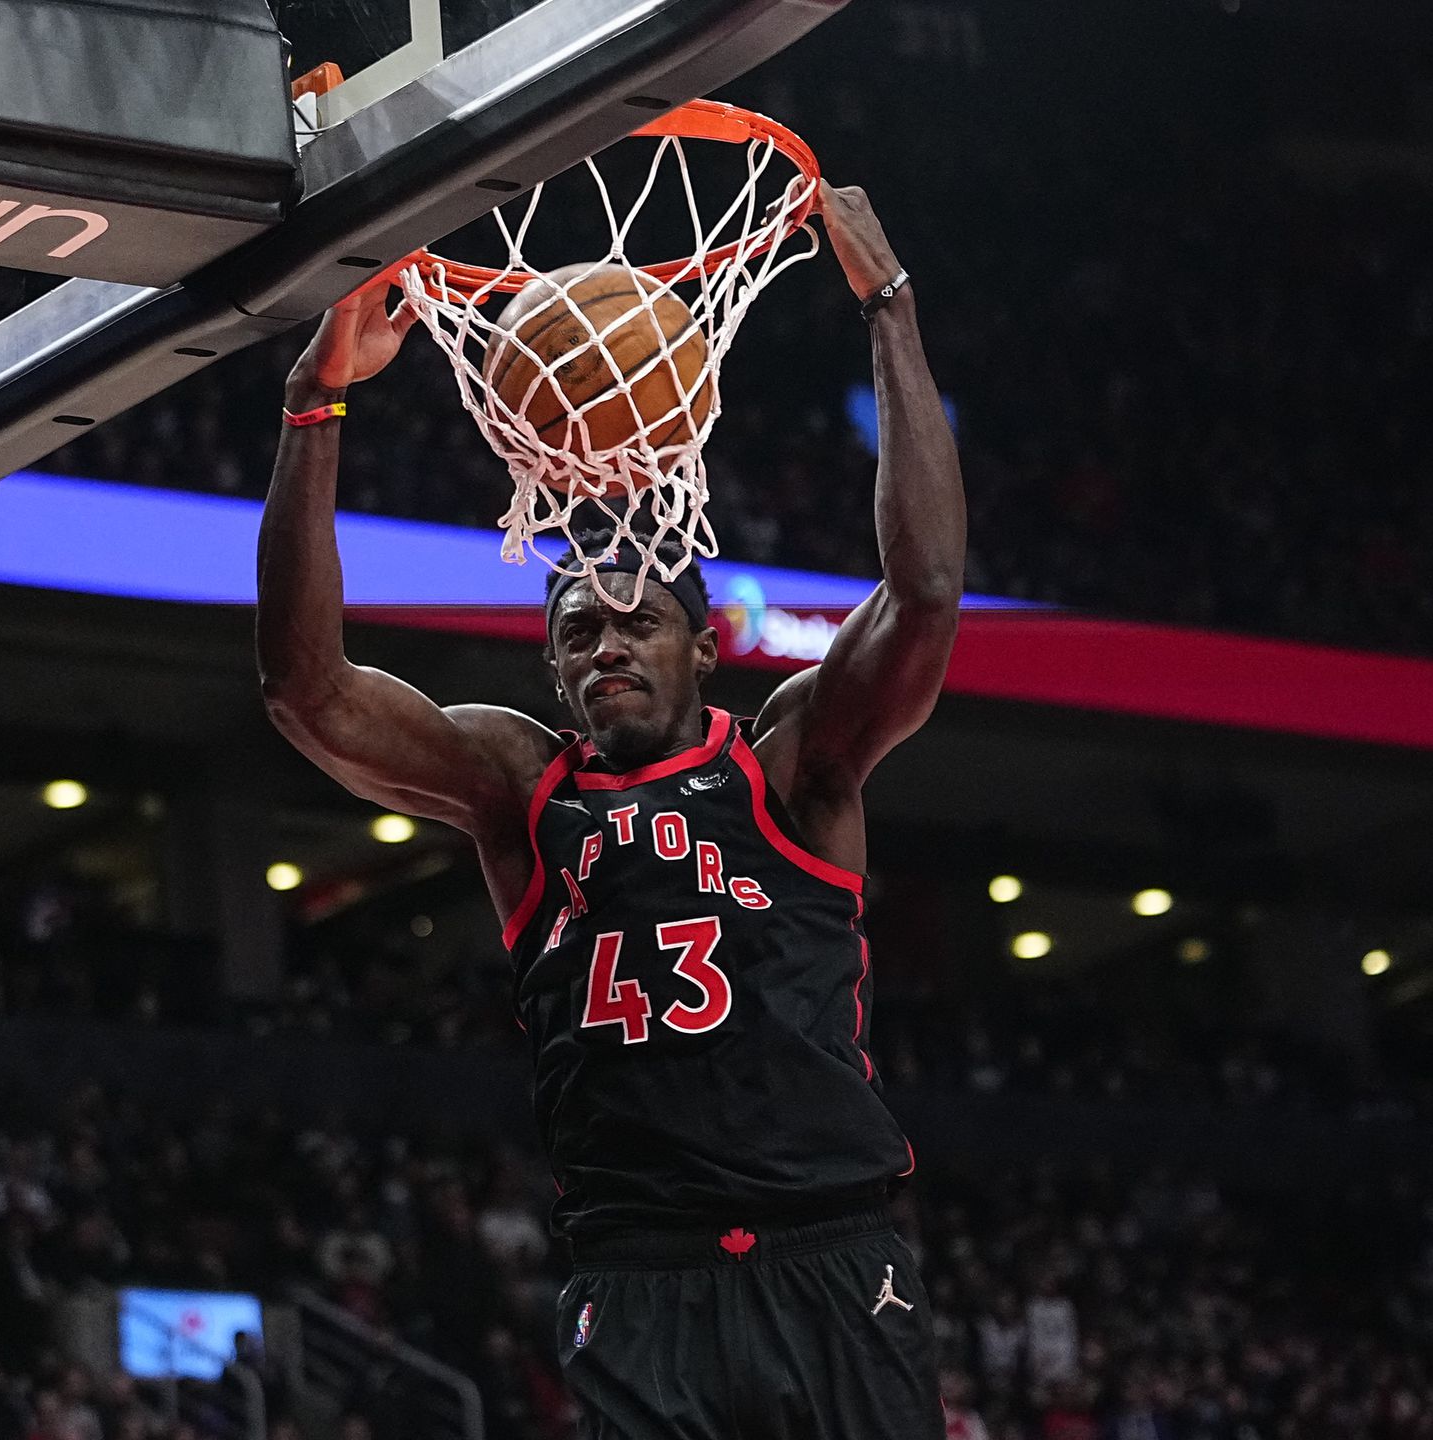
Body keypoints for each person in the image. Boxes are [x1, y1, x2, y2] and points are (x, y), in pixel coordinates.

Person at [257, 184, 964, 1439]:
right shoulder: (522, 791)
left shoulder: (796, 764)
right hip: (640, 1279)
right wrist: (315, 407)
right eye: (577, 631)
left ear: (706, 649)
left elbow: (923, 592)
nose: (607, 644)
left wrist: (890, 309)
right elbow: (307, 690)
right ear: (554, 672)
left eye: (638, 620)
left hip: (835, 1259)